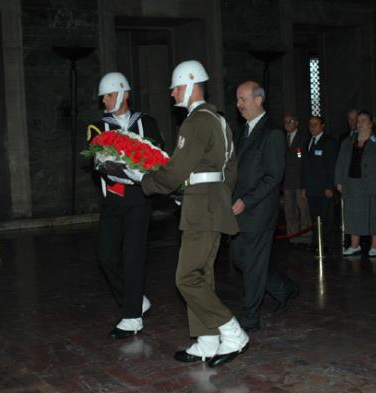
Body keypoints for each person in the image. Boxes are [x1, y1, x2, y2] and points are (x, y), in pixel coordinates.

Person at [127, 60, 249, 367]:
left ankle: (232, 332)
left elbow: (176, 170)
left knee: (186, 278)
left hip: (202, 208)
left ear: (192, 85)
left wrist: (144, 180)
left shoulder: (195, 122)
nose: (171, 93)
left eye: (176, 87)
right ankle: (207, 340)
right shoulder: (219, 120)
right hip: (211, 203)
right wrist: (206, 193)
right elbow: (230, 169)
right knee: (202, 275)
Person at [87, 72, 163, 339]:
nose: (104, 101)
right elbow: (94, 160)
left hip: (139, 201)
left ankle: (132, 317)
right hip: (112, 201)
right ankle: (135, 299)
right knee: (106, 256)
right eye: (103, 97)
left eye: (108, 95)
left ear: (124, 94)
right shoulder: (97, 127)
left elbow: (158, 158)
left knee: (133, 256)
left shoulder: (147, 123)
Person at [231, 82, 299, 332]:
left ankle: (250, 317)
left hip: (258, 210)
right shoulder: (242, 131)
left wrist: (246, 200)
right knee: (242, 259)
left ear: (258, 100)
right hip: (239, 209)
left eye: (242, 99)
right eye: (237, 100)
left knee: (253, 263)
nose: (238, 105)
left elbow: (273, 176)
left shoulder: (272, 133)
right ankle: (284, 288)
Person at [335, 110, 376, 257]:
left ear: (371, 123)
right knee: (352, 215)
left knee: (372, 215)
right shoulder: (348, 141)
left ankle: (375, 245)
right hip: (351, 183)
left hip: (372, 184)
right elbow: (340, 163)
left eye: (364, 120)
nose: (360, 123)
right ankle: (354, 245)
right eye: (358, 121)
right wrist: (339, 181)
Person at [301, 115, 338, 252]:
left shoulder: (329, 142)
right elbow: (305, 166)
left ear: (322, 125)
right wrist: (304, 186)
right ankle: (316, 241)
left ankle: (327, 243)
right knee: (314, 217)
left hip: (324, 188)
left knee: (327, 217)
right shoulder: (307, 143)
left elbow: (332, 166)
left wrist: (330, 186)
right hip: (311, 188)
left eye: (315, 124)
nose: (312, 127)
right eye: (310, 124)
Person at [282, 112, 312, 247]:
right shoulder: (282, 139)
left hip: (300, 182)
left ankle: (306, 236)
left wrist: (306, 182)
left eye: (291, 121)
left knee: (303, 210)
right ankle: (292, 236)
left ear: (297, 123)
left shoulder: (303, 138)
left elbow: (305, 161)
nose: (288, 124)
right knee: (289, 210)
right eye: (286, 122)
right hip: (287, 182)